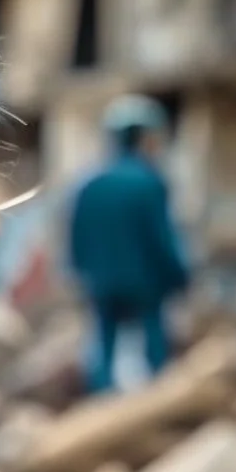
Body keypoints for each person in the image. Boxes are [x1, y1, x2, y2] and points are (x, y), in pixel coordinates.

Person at [67, 95, 190, 393]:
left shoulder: (89, 183)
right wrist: (180, 274)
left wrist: (83, 273)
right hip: (145, 284)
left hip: (102, 283)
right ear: (143, 138)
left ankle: (101, 401)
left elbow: (76, 239)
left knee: (104, 348)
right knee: (154, 348)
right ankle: (159, 402)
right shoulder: (149, 181)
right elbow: (162, 237)